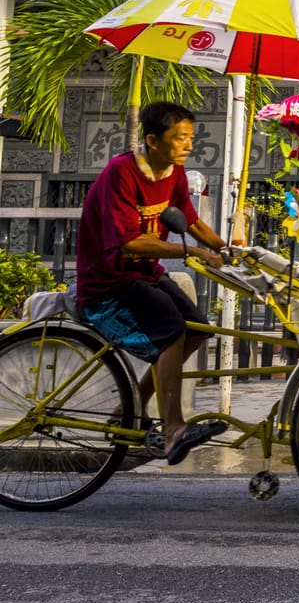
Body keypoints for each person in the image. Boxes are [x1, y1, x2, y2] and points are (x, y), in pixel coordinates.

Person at [75, 101, 230, 465]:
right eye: (180, 138)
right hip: (109, 283)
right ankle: (174, 427)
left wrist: (227, 248)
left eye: (191, 137)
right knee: (171, 329)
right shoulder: (121, 173)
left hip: (146, 275)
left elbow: (191, 222)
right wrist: (192, 254)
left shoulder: (174, 173)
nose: (188, 145)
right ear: (153, 140)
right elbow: (129, 243)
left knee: (197, 328)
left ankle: (133, 404)